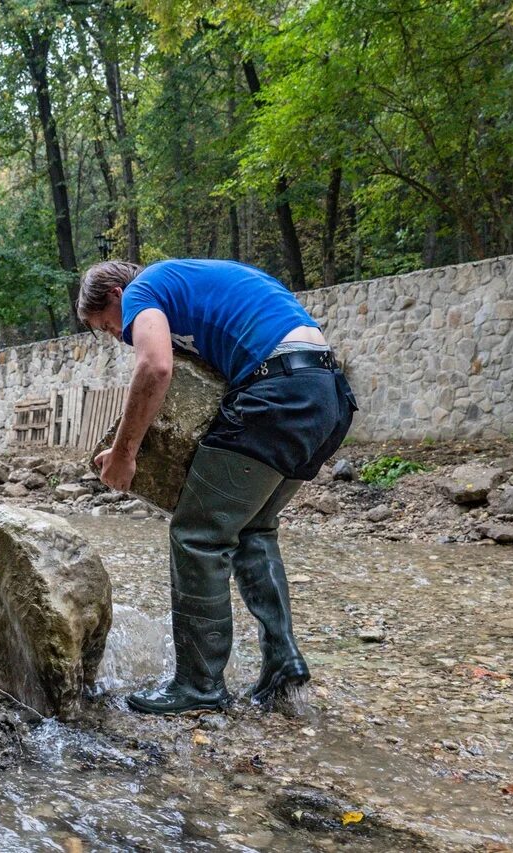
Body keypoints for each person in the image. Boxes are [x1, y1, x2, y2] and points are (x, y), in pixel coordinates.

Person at [78, 259, 357, 714]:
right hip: (326, 397)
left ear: (113, 294)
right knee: (253, 529)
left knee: (198, 535)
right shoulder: (195, 280)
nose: (118, 335)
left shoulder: (143, 289)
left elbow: (154, 366)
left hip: (277, 394)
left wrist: (125, 453)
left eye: (108, 327)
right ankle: (283, 661)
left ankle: (198, 686)